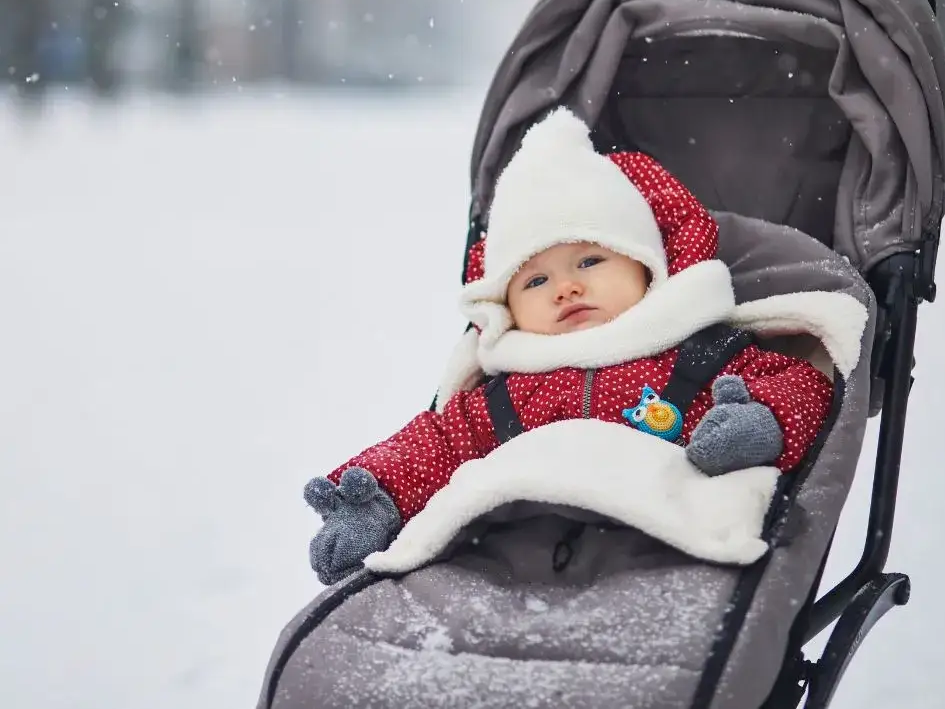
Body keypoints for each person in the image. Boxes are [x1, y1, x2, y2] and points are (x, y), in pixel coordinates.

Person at [303, 108, 834, 586]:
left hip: (664, 550)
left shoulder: (697, 357)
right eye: (535, 281)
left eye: (589, 262)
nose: (565, 288)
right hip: (513, 566)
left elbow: (801, 381)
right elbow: (435, 444)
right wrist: (378, 495)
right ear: (506, 305)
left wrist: (762, 422)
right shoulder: (505, 396)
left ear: (646, 268)